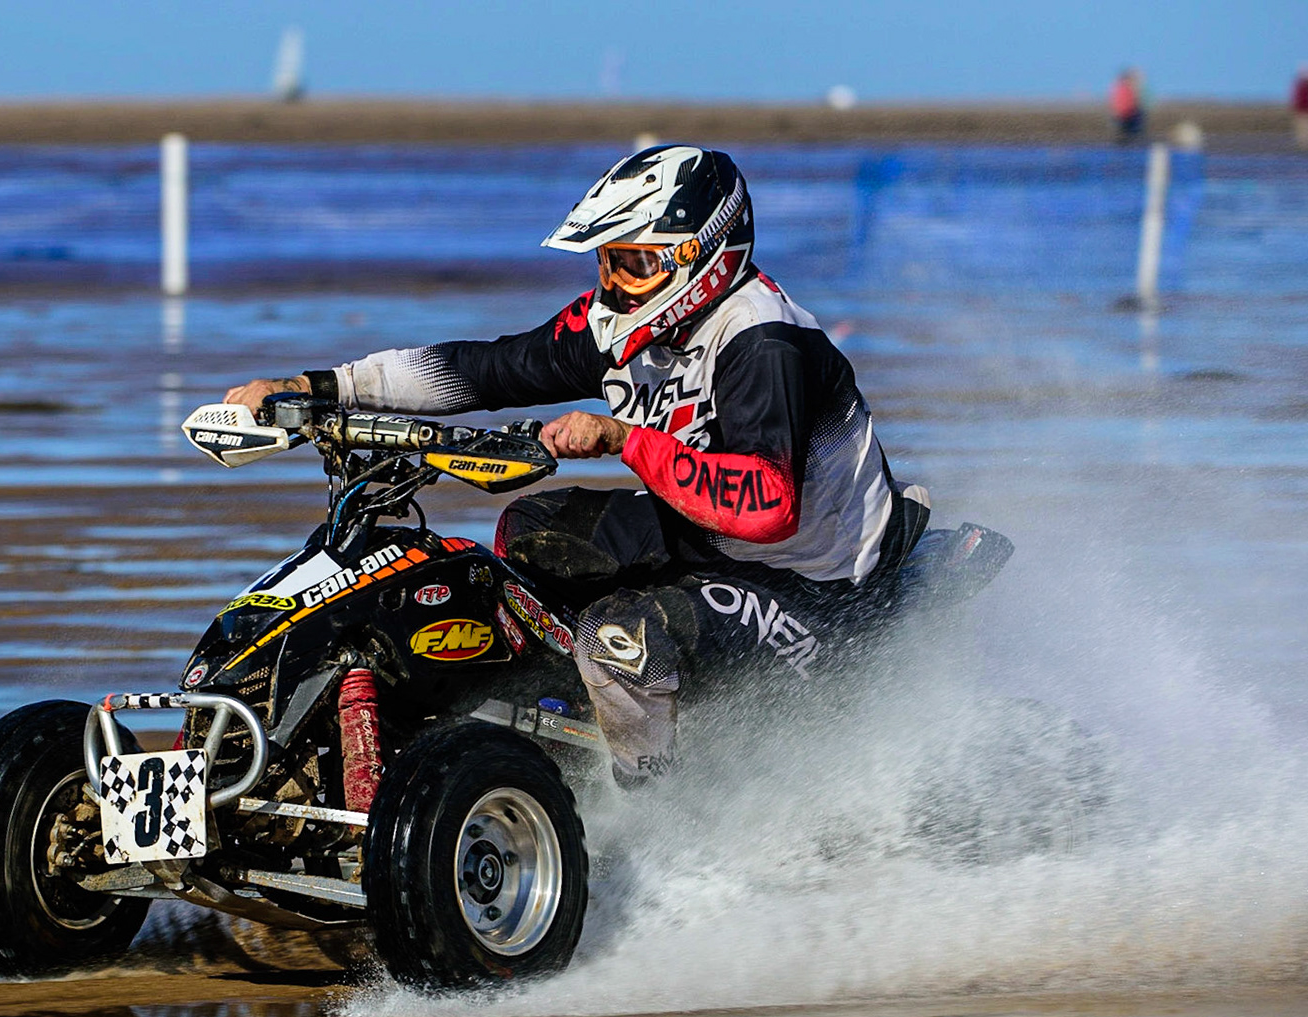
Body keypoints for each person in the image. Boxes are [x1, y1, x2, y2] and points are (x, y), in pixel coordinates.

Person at [224, 146, 930, 786]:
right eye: (607, 261)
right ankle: (550, 727)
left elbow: (767, 505)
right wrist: (321, 388)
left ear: (699, 257)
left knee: (615, 638)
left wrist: (626, 438)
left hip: (815, 589)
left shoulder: (761, 342)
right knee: (527, 533)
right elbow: (483, 370)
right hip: (710, 541)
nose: (615, 283)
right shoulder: (621, 324)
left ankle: (656, 810)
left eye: (635, 262)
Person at [1110, 67, 1145, 143]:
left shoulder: (1123, 88)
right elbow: (1122, 102)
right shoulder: (1123, 88)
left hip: (1125, 113)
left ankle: (1127, 142)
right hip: (1124, 114)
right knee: (1125, 132)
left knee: (1126, 132)